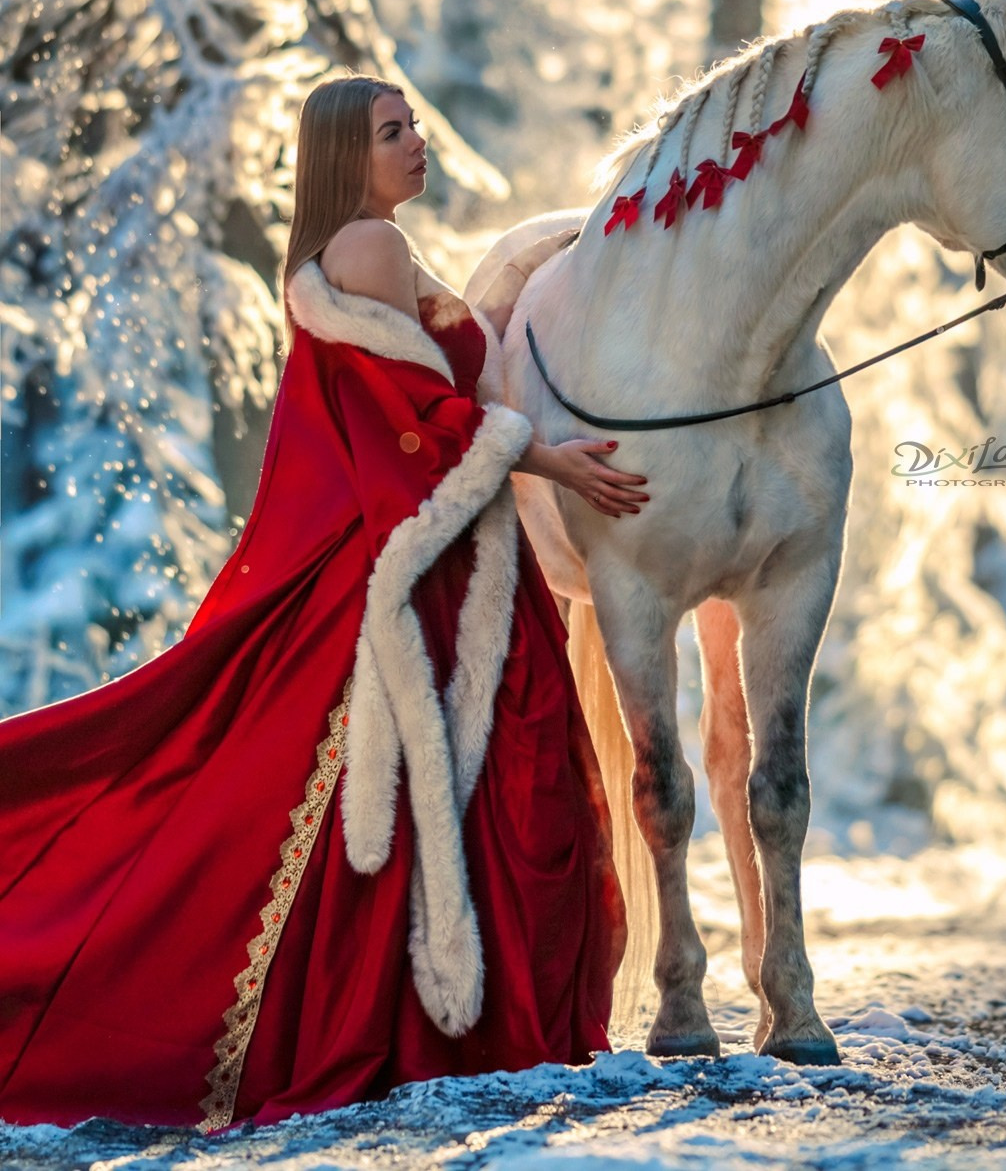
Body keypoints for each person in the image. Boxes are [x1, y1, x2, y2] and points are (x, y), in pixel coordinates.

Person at [0, 74, 643, 1132]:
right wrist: (558, 467)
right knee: (479, 788)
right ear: (346, 153)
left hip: (445, 553)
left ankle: (434, 1023)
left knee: (429, 795)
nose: (416, 143)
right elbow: (424, 420)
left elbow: (439, 398)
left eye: (416, 125)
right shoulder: (369, 250)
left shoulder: (367, 249)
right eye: (393, 132)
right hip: (419, 575)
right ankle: (440, 1028)